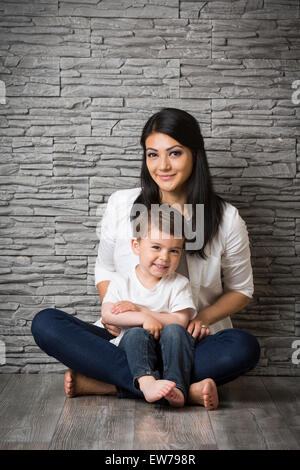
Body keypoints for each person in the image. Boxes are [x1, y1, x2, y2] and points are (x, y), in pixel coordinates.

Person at [31, 107, 261, 410]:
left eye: (175, 153)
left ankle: (113, 384)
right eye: (153, 154)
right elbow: (106, 267)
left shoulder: (225, 218)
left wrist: (201, 320)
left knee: (244, 347)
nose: (162, 165)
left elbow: (241, 290)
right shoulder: (121, 204)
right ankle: (181, 388)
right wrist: (116, 309)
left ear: (195, 153)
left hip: (188, 339)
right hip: (127, 335)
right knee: (46, 323)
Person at [101, 205, 198, 408]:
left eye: (173, 251)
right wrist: (143, 320)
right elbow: (107, 314)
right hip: (134, 354)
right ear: (136, 246)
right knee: (136, 334)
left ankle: (177, 388)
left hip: (169, 351)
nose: (164, 257)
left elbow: (180, 320)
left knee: (174, 331)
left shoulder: (179, 283)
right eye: (156, 247)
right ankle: (147, 382)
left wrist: (141, 311)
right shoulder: (121, 281)